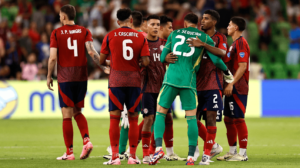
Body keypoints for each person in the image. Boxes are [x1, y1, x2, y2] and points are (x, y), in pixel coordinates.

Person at [149, 13, 233, 166]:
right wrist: (227, 72)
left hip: (171, 80)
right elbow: (216, 59)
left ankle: (158, 149)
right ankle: (190, 157)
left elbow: (162, 58)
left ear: (185, 23)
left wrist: (167, 58)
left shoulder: (174, 33)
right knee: (192, 118)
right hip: (189, 81)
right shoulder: (204, 38)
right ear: (197, 23)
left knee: (160, 113)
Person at [47, 4, 107, 161]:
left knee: (66, 114)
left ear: (64, 17)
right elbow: (92, 52)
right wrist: (104, 67)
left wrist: (48, 76)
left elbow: (53, 57)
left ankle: (69, 152)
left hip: (66, 77)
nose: (59, 18)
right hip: (81, 76)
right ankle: (86, 141)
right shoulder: (85, 31)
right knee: (77, 112)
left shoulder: (56, 33)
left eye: (60, 15)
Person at [99, 8, 150, 165]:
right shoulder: (141, 37)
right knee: (134, 119)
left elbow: (101, 61)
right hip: (134, 81)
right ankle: (133, 156)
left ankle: (115, 157)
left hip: (116, 81)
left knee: (115, 119)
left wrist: (113, 62)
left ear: (117, 22)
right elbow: (146, 62)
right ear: (131, 21)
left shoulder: (110, 36)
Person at [185, 9, 228, 164]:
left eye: (206, 19)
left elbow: (222, 53)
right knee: (192, 119)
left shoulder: (220, 37)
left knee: (211, 119)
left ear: (214, 22)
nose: (202, 21)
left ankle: (206, 154)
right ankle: (196, 150)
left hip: (213, 83)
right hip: (194, 84)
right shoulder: (193, 37)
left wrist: (202, 44)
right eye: (202, 18)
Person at [217, 16, 250, 162]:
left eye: (230, 25)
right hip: (231, 87)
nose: (228, 27)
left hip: (238, 87)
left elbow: (242, 66)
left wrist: (231, 84)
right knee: (228, 119)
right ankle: (232, 151)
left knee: (238, 119)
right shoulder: (233, 44)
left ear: (236, 27)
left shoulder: (241, 43)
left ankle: (243, 154)